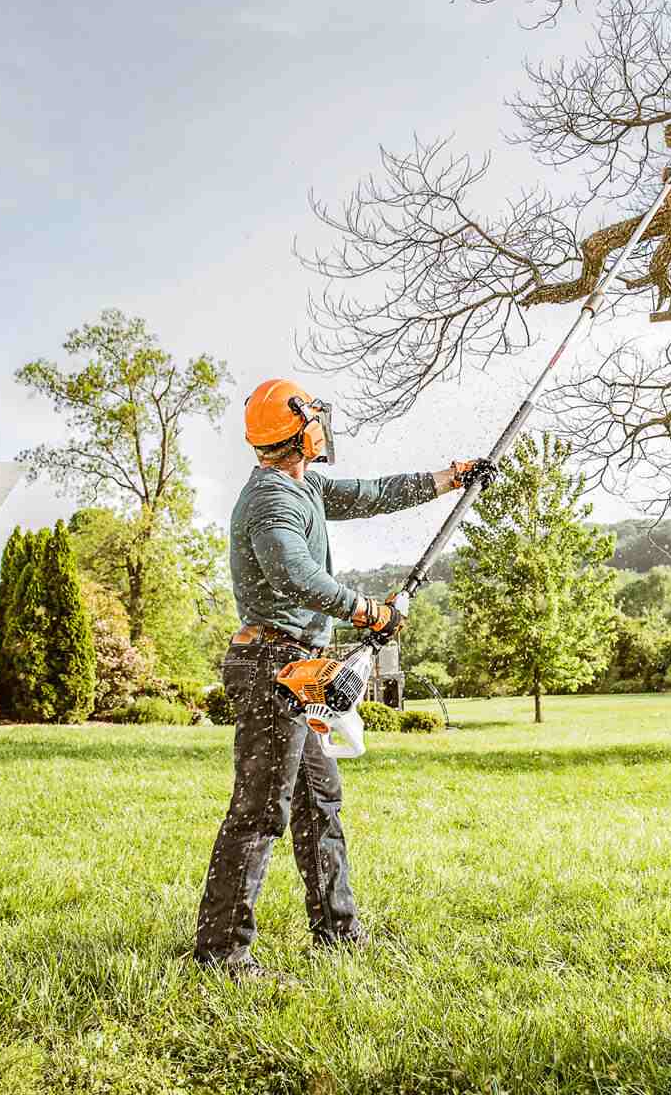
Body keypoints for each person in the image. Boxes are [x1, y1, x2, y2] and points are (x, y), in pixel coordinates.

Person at [194, 377, 484, 982]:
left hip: (301, 668)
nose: (325, 426)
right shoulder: (271, 500)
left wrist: (449, 478)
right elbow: (292, 574)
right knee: (259, 812)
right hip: (274, 668)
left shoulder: (306, 485)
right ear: (299, 429)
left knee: (319, 802)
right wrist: (365, 609)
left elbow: (374, 492)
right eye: (315, 418)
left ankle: (338, 929)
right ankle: (221, 954)